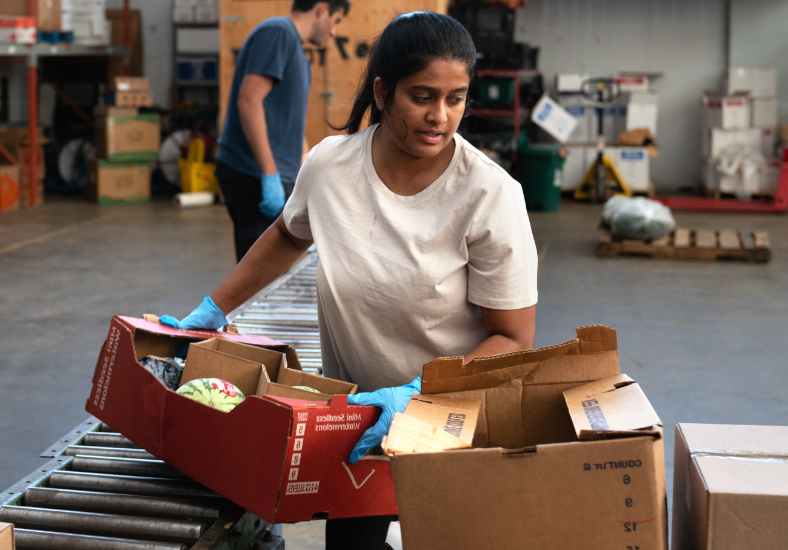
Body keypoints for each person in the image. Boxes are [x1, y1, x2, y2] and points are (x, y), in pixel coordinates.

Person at [160, 12, 538, 549]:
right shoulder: (332, 166)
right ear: (383, 92)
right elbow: (289, 236)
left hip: (451, 416)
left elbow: (514, 338)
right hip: (358, 418)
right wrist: (213, 309)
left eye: (456, 99)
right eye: (423, 96)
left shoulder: (489, 195)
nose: (440, 117)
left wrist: (416, 394)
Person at [215, 0, 349, 262]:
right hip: (252, 173)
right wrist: (269, 175)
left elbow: (290, 122)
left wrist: (308, 172)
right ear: (322, 9)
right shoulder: (278, 33)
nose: (333, 31)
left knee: (276, 270)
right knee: (258, 275)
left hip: (276, 176)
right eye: (337, 20)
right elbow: (249, 101)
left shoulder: (296, 52)